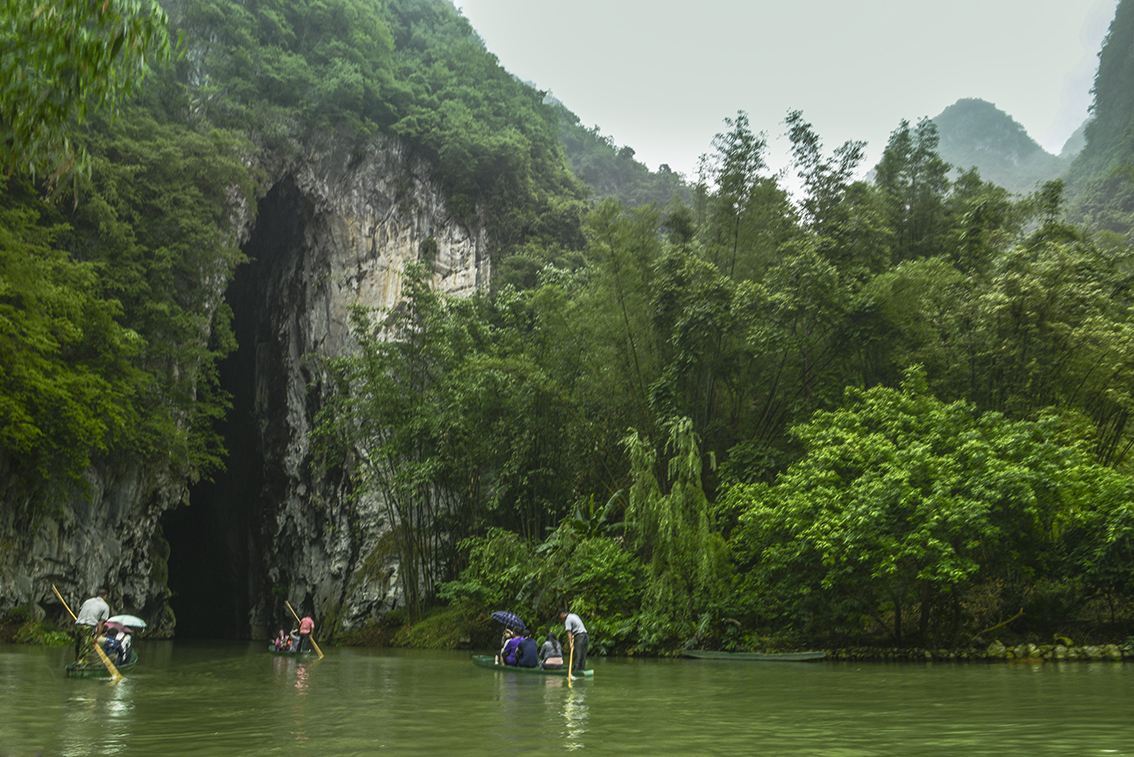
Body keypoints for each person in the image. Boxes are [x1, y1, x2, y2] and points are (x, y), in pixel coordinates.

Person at [73, 588, 110, 662]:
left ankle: (76, 661)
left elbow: (80, 611)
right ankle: (80, 665)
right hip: (88, 627)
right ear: (105, 596)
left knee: (77, 646)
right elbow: (100, 624)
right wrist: (97, 637)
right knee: (85, 648)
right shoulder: (105, 606)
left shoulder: (87, 601)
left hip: (78, 625)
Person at [558, 607, 589, 674]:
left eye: (560, 616)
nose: (560, 618)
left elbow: (569, 633)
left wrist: (570, 643)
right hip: (585, 636)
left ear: (562, 614)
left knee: (577, 654)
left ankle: (576, 671)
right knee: (582, 655)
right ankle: (581, 669)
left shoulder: (567, 620)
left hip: (580, 636)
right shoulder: (574, 615)